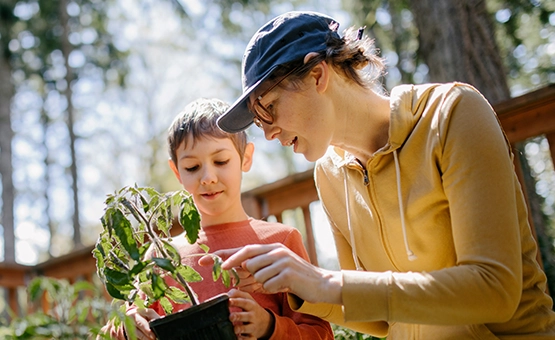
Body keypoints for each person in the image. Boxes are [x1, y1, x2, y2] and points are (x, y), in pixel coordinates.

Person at [209, 10, 555, 339]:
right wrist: (300, 287)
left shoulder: (451, 114)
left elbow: (494, 289)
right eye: (259, 121)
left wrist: (328, 282)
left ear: (317, 74)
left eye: (270, 107)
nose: (269, 133)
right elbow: (380, 320)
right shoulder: (329, 175)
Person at [100, 98, 334, 340]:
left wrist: (269, 326)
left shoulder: (280, 242)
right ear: (177, 172)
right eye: (192, 167)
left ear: (246, 158)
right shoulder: (160, 257)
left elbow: (321, 334)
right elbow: (120, 327)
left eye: (221, 161)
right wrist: (127, 328)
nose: (208, 177)